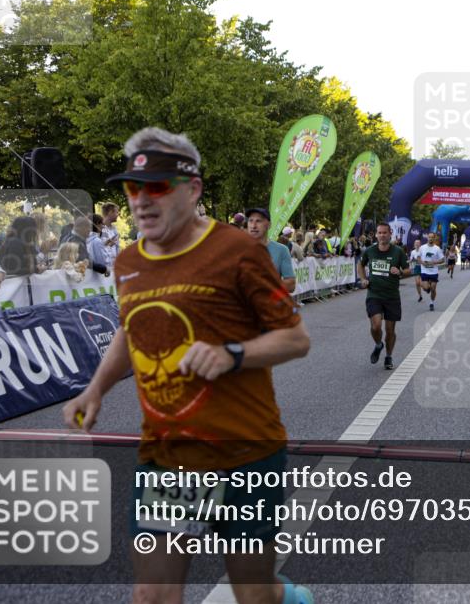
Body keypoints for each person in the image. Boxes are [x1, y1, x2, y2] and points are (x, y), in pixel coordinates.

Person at [62, 126, 312, 604]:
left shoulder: (238, 251)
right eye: (133, 188)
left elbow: (296, 339)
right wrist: (95, 389)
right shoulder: (129, 260)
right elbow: (131, 330)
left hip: (245, 457)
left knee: (255, 596)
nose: (140, 200)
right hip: (167, 458)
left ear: (193, 190)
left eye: (157, 186)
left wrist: (232, 354)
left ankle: (289, 598)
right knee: (152, 596)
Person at [357, 222, 410, 370]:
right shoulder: (370, 251)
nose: (382, 235)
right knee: (376, 326)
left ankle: (388, 356)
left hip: (392, 296)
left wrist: (399, 272)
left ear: (390, 233)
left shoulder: (398, 251)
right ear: (376, 235)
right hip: (374, 294)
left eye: (384, 233)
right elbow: (360, 265)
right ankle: (378, 344)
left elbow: (408, 270)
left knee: (390, 330)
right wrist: (362, 279)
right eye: (379, 233)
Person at [246, 207, 297, 295]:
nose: (253, 226)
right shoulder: (236, 248)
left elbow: (291, 285)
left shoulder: (281, 250)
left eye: (258, 221)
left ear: (269, 225)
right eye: (250, 221)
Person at [419, 232, 444, 311]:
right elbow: (418, 257)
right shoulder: (422, 247)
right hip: (424, 270)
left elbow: (442, 259)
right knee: (426, 288)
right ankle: (427, 288)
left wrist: (434, 262)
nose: (430, 239)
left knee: (433, 288)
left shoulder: (437, 248)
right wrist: (422, 263)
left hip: (433, 271)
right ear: (427, 238)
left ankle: (431, 303)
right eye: (429, 237)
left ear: (434, 238)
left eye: (432, 237)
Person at [100, 202, 122, 270]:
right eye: (116, 212)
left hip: (114, 268)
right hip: (103, 269)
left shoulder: (114, 230)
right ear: (110, 212)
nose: (118, 214)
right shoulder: (99, 229)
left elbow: (117, 249)